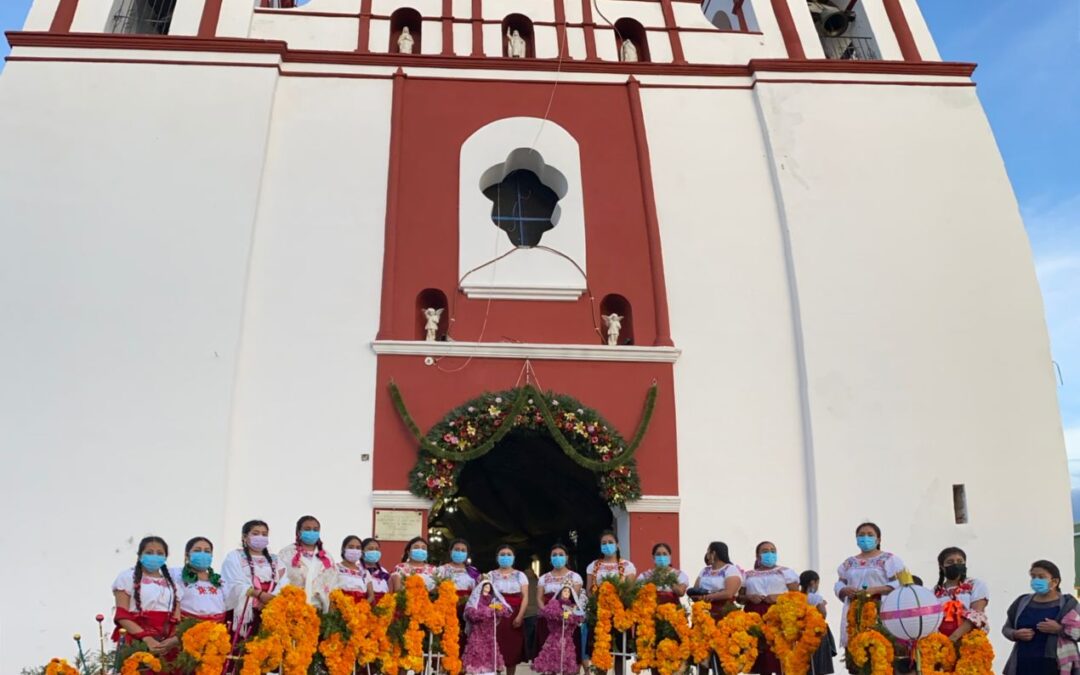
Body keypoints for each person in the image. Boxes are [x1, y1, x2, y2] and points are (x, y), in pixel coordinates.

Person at [833, 522, 904, 648]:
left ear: (878, 539)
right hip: (855, 612)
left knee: (881, 651)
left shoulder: (889, 559)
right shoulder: (849, 562)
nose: (865, 538)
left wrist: (876, 590)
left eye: (870, 534)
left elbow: (901, 583)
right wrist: (844, 589)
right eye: (861, 535)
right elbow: (839, 583)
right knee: (857, 650)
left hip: (881, 611)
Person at [1003, 560, 1080, 675]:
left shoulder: (1068, 605)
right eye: (1033, 576)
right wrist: (1015, 634)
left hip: (1055, 664)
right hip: (1024, 663)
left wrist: (1059, 629)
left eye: (1041, 577)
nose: (1036, 580)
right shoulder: (1022, 602)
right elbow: (1006, 628)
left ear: (1054, 582)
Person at [111, 536, 181, 656]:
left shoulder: (173, 584)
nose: (154, 556)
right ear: (139, 555)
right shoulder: (127, 577)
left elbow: (177, 618)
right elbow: (121, 615)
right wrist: (146, 638)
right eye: (149, 552)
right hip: (135, 641)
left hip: (166, 645)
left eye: (160, 553)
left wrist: (171, 641)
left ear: (165, 557)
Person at [743, 542, 800, 674]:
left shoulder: (785, 572)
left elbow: (797, 595)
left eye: (773, 550)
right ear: (757, 555)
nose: (770, 553)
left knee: (780, 654)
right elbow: (740, 597)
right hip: (755, 615)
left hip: (778, 615)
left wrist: (778, 597)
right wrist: (750, 597)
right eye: (765, 551)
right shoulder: (748, 575)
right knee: (762, 656)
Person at [222, 519, 281, 641]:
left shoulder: (276, 559)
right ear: (244, 536)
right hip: (244, 612)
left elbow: (284, 582)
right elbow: (234, 582)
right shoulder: (234, 556)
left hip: (270, 610)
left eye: (264, 534)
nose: (261, 537)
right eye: (255, 533)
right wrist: (259, 595)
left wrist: (270, 599)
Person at [278, 515, 337, 611]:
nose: (312, 532)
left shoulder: (327, 557)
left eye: (315, 529)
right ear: (298, 532)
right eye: (307, 529)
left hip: (319, 609)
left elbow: (333, 583)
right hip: (293, 608)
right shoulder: (287, 553)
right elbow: (279, 580)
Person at [534, 544, 583, 661]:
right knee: (548, 657)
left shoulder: (575, 577)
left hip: (567, 620)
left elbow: (573, 599)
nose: (557, 557)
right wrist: (547, 612)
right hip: (547, 621)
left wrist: (564, 615)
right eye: (554, 555)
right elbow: (539, 598)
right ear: (550, 559)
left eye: (561, 555)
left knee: (568, 656)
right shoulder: (544, 578)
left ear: (566, 557)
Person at [489, 545, 530, 675]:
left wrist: (520, 616)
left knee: (513, 649)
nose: (505, 557)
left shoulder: (520, 575)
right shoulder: (491, 575)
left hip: (514, 616)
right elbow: (486, 596)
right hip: (496, 617)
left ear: (513, 558)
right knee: (496, 648)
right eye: (502, 554)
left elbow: (525, 598)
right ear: (497, 558)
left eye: (508, 554)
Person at [933, 547, 989, 641]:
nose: (955, 564)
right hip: (942, 643)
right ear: (942, 567)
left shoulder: (975, 584)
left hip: (970, 642)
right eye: (950, 562)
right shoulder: (934, 592)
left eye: (959, 561)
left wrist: (953, 638)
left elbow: (977, 614)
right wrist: (942, 643)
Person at [462, 580, 513, 675]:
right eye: (486, 587)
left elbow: (504, 609)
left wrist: (497, 609)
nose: (487, 588)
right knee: (477, 649)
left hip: (489, 630)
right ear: (481, 588)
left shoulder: (492, 599)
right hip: (478, 629)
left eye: (489, 587)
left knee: (490, 650)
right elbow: (471, 612)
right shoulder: (476, 598)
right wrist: (487, 611)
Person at [171, 537, 226, 623]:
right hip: (187, 630)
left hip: (217, 631)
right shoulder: (176, 575)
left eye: (207, 551)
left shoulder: (219, 581)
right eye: (197, 550)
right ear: (187, 555)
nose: (203, 554)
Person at [533, 585, 585, 675]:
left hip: (567, 639)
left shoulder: (573, 607)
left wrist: (571, 616)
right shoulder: (554, 604)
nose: (566, 593)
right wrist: (561, 615)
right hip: (555, 638)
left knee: (566, 665)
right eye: (564, 591)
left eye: (568, 592)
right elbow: (549, 614)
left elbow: (577, 620)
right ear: (560, 593)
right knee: (551, 664)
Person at [693, 541, 743, 618]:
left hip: (723, 610)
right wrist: (697, 596)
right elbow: (695, 589)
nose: (707, 556)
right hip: (703, 610)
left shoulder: (730, 569)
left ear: (714, 553)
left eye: (708, 552)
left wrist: (709, 596)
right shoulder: (705, 570)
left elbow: (729, 593)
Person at [801, 570, 836, 675]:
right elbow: (823, 614)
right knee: (818, 665)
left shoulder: (797, 596)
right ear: (813, 582)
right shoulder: (815, 597)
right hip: (816, 633)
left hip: (801, 634)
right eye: (817, 583)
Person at [336, 535, 374, 604]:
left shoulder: (365, 572)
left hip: (360, 611)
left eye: (358, 548)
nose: (355, 550)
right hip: (340, 608)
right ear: (343, 549)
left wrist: (361, 608)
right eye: (351, 547)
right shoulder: (335, 569)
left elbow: (371, 596)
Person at [361, 537, 391, 602]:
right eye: (370, 549)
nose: (374, 551)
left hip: (383, 607)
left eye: (377, 549)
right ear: (362, 552)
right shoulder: (358, 570)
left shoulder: (384, 571)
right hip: (364, 605)